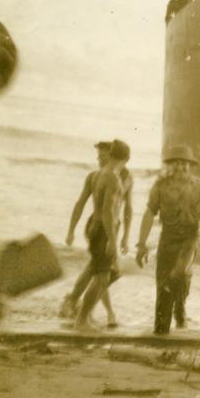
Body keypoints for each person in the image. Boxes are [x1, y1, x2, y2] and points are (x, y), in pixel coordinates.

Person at [135, 145, 200, 336]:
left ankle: (180, 309)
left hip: (190, 238)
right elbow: (149, 214)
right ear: (171, 165)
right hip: (167, 238)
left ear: (190, 165)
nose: (180, 167)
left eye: (184, 163)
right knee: (163, 283)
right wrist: (141, 245)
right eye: (176, 163)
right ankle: (162, 330)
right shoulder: (160, 186)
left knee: (178, 274)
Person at [74, 139, 130, 332]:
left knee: (103, 275)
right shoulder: (113, 178)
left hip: (96, 227)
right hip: (104, 231)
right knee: (101, 277)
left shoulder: (99, 175)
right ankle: (81, 320)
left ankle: (83, 314)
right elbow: (107, 211)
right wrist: (113, 241)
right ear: (126, 158)